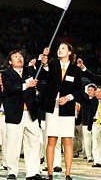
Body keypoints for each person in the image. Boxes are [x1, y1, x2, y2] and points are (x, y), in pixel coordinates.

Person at [39, 43, 83, 180]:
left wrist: (68, 98)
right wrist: (44, 63)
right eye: (58, 48)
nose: (59, 50)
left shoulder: (75, 70)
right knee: (51, 140)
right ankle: (50, 173)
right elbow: (43, 77)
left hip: (67, 108)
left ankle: (68, 174)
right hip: (53, 107)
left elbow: (79, 90)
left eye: (63, 48)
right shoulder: (52, 64)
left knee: (67, 140)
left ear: (70, 52)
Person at [0, 50, 43, 180]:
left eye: (21, 56)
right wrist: (26, 85)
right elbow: (10, 88)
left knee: (33, 143)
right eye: (16, 57)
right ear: (10, 61)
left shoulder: (29, 71)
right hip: (14, 114)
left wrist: (41, 60)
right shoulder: (6, 74)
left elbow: (42, 73)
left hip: (31, 113)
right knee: (13, 144)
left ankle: (33, 172)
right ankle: (12, 171)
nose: (19, 58)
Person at [88, 86, 101, 168]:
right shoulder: (93, 101)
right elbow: (90, 113)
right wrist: (89, 125)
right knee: (95, 143)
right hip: (95, 123)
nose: (97, 94)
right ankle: (97, 161)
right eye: (96, 92)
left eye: (99, 92)